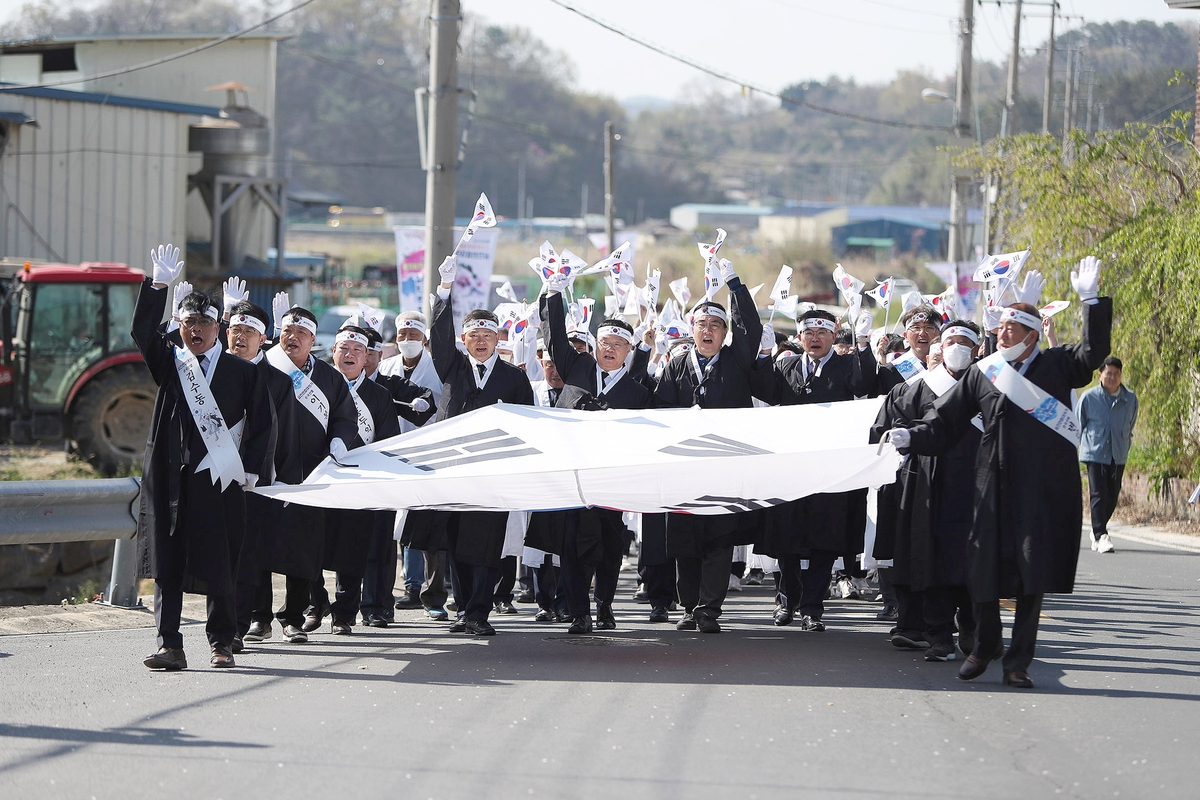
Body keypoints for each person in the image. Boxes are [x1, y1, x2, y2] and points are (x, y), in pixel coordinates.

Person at [887, 256, 1111, 688]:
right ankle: (984, 644)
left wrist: (1092, 302)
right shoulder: (983, 375)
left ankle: (1018, 661)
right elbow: (945, 422)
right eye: (1000, 328)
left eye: (1010, 329)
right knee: (981, 569)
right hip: (989, 487)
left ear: (1031, 336)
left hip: (1041, 490)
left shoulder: (1058, 365)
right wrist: (911, 436)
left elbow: (1093, 353)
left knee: (1031, 575)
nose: (1000, 333)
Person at [133, 245, 273, 670]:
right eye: (189, 322)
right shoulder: (171, 363)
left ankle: (222, 642)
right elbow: (142, 333)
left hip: (220, 478)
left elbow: (264, 423)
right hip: (171, 478)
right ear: (180, 326)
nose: (196, 329)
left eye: (204, 322)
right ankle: (169, 644)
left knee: (220, 563)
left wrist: (250, 468)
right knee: (168, 564)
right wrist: (158, 287)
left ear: (219, 327)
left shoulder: (243, 371)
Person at [532, 275, 654, 634]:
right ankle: (578, 611)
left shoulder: (637, 393)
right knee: (571, 546)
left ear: (628, 350)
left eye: (618, 344)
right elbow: (554, 337)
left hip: (612, 481)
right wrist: (553, 293)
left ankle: (604, 605)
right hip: (574, 475)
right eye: (604, 342)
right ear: (595, 345)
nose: (610, 349)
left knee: (608, 548)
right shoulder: (578, 368)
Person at [420, 254, 534, 635]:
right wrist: (444, 292)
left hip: (493, 475)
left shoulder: (514, 380)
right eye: (474, 335)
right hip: (454, 470)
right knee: (455, 544)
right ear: (464, 340)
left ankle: (479, 612)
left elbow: (527, 426)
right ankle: (464, 609)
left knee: (486, 547)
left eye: (488, 335)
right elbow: (437, 335)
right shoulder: (451, 367)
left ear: (498, 339)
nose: (481, 341)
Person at [653, 258, 763, 634]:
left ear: (724, 332)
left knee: (719, 538)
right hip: (684, 466)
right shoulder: (676, 365)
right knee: (685, 540)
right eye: (702, 324)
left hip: (725, 464)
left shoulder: (737, 361)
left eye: (716, 325)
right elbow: (661, 412)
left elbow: (752, 328)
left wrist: (734, 284)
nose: (708, 330)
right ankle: (687, 606)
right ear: (692, 329)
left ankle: (709, 609)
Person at [871, 320, 983, 661]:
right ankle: (938, 636)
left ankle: (972, 627)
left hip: (977, 489)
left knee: (974, 563)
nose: (958, 347)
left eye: (966, 341)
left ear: (978, 348)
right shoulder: (914, 390)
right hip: (926, 489)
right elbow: (885, 431)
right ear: (941, 346)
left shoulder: (988, 387)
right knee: (931, 562)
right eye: (952, 341)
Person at [761, 307, 877, 632]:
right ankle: (787, 600)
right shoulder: (786, 366)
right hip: (792, 466)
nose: (815, 338)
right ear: (799, 338)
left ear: (833, 335)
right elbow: (764, 393)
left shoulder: (846, 366)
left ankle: (812, 609)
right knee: (787, 539)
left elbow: (865, 381)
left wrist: (864, 343)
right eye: (809, 333)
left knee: (826, 540)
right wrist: (762, 354)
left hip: (831, 468)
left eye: (822, 332)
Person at [262, 297, 359, 642]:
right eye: (287, 330)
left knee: (302, 550)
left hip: (311, 475)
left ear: (313, 340)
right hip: (266, 470)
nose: (293, 337)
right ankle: (259, 616)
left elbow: (347, 418)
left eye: (301, 332)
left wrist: (339, 441)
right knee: (261, 544)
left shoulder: (330, 378)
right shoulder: (265, 366)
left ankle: (292, 616)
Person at [311, 324, 408, 634]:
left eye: (357, 350)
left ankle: (344, 614)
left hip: (359, 485)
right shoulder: (318, 385)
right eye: (343, 349)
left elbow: (388, 441)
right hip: (321, 481)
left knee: (352, 554)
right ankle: (315, 603)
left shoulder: (379, 396)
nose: (349, 354)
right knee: (311, 546)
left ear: (367, 356)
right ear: (333, 352)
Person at [219, 297, 299, 654]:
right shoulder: (211, 370)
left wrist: (282, 482)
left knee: (248, 555)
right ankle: (222, 626)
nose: (240, 337)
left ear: (264, 339)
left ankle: (237, 627)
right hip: (212, 476)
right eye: (234, 329)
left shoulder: (278, 382)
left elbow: (285, 437)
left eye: (248, 331)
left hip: (255, 481)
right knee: (218, 555)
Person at [359, 323, 435, 626]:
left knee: (382, 543)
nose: (361, 359)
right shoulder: (334, 383)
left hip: (383, 474)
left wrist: (421, 403)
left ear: (377, 355)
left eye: (368, 353)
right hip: (346, 472)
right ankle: (341, 605)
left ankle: (378, 605)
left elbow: (425, 404)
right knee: (346, 541)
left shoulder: (390, 385)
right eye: (351, 351)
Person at [378, 312, 451, 619]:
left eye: (413, 334)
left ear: (424, 338)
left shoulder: (437, 368)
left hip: (428, 453)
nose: (407, 340)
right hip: (392, 452)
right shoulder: (387, 367)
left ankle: (434, 594)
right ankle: (410, 586)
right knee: (399, 522)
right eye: (403, 334)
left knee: (429, 523)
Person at [1077, 356, 1138, 554]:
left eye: (1116, 374)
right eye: (1109, 373)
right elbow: (1079, 425)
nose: (1112, 377)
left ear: (1121, 376)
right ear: (1100, 374)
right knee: (1098, 493)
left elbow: (1130, 425)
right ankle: (1101, 534)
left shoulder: (1130, 399)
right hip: (1095, 452)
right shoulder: (1089, 397)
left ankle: (1097, 529)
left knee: (1112, 494)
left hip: (1118, 453)